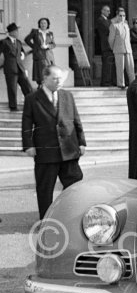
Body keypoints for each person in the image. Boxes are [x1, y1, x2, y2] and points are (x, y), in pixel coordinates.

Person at [22, 65, 86, 220]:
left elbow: (76, 120)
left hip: (69, 149)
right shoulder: (32, 98)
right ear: (45, 79)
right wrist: (28, 145)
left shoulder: (67, 95)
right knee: (45, 188)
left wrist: (82, 142)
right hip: (46, 151)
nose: (58, 81)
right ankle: (46, 220)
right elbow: (26, 123)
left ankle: (69, 216)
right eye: (54, 78)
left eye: (60, 78)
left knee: (75, 183)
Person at [0, 23, 33, 112]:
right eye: (15, 31)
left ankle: (31, 105)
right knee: (12, 88)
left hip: (20, 68)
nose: (17, 32)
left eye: (17, 31)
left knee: (27, 87)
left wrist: (28, 52)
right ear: (10, 32)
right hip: (10, 69)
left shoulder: (18, 42)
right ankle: (13, 107)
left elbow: (21, 53)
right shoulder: (4, 42)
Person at [24, 18, 56, 85]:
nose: (43, 24)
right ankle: (41, 87)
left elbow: (53, 44)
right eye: (41, 23)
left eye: (45, 23)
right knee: (40, 73)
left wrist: (47, 46)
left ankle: (47, 87)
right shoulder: (35, 32)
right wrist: (35, 47)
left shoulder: (50, 33)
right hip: (39, 54)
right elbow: (27, 39)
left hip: (48, 56)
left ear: (47, 24)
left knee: (49, 72)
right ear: (39, 24)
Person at [108, 7, 134, 89]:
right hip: (119, 49)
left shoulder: (126, 25)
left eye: (124, 16)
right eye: (120, 15)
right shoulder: (114, 25)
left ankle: (133, 83)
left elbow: (128, 38)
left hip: (128, 49)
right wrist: (113, 48)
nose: (122, 17)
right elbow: (111, 39)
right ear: (117, 16)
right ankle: (121, 83)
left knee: (130, 67)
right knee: (120, 67)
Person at [96, 6, 116, 86]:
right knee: (106, 65)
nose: (109, 12)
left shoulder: (107, 20)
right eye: (107, 11)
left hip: (110, 46)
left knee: (109, 65)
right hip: (105, 46)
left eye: (109, 11)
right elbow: (108, 29)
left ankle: (109, 81)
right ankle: (105, 82)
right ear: (102, 11)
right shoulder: (100, 20)